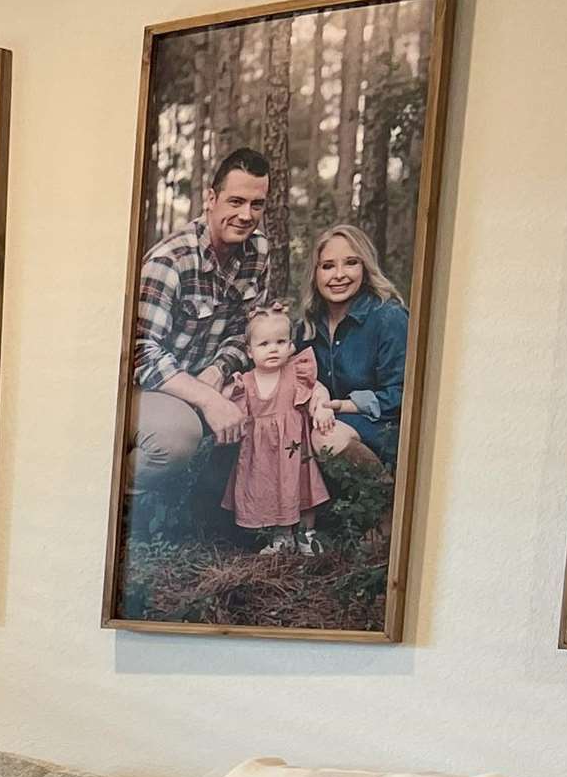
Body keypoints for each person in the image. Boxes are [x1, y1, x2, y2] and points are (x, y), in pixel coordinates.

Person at [128, 147, 276, 540]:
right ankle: (114, 500)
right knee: (177, 438)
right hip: (143, 387)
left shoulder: (258, 251)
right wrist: (206, 399)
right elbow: (140, 354)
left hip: (202, 378)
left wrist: (217, 372)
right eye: (236, 201)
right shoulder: (169, 260)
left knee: (266, 401)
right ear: (210, 199)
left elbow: (245, 332)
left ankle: (218, 518)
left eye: (256, 204)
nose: (246, 215)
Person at [294, 222, 410, 480]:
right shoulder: (308, 326)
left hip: (382, 428)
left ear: (365, 268)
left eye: (350, 263)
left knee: (327, 436)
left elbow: (403, 394)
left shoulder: (388, 317)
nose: (338, 275)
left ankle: (385, 509)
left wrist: (348, 405)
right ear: (315, 274)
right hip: (327, 423)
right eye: (327, 266)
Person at [218, 308, 330, 551]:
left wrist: (321, 408)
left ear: (291, 345)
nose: (273, 349)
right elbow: (230, 408)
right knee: (268, 489)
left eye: (281, 342)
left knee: (300, 486)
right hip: (261, 454)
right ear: (249, 351)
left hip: (293, 449)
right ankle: (281, 537)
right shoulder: (245, 382)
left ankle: (306, 534)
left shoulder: (294, 373)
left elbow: (317, 390)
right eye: (264, 343)